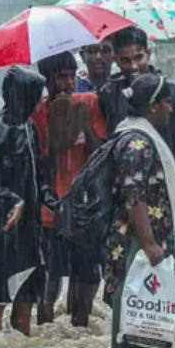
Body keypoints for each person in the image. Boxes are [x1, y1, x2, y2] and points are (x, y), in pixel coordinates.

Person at [102, 73, 175, 348]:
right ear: (153, 106)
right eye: (167, 102)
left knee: (143, 315)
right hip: (137, 244)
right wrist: (151, 243)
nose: (171, 108)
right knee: (139, 318)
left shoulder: (136, 135)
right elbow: (134, 195)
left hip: (138, 242)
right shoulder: (139, 143)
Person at [0, 66, 58, 336]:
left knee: (26, 291)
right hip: (1, 226)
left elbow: (36, 175)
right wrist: (11, 201)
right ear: (21, 95)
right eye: (34, 94)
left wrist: (54, 201)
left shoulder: (28, 127)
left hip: (29, 227)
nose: (37, 100)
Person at [30, 52, 108, 327]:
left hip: (84, 209)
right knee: (51, 278)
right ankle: (45, 329)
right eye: (61, 77)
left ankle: (80, 328)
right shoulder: (37, 113)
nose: (68, 83)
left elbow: (102, 154)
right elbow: (36, 164)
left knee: (87, 276)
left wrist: (82, 124)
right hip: (49, 212)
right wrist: (59, 132)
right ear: (47, 80)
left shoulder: (89, 103)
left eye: (72, 76)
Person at [97, 26, 175, 166]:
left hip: (167, 174)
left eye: (138, 57)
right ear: (116, 60)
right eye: (125, 60)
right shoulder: (109, 94)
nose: (134, 67)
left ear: (148, 54)